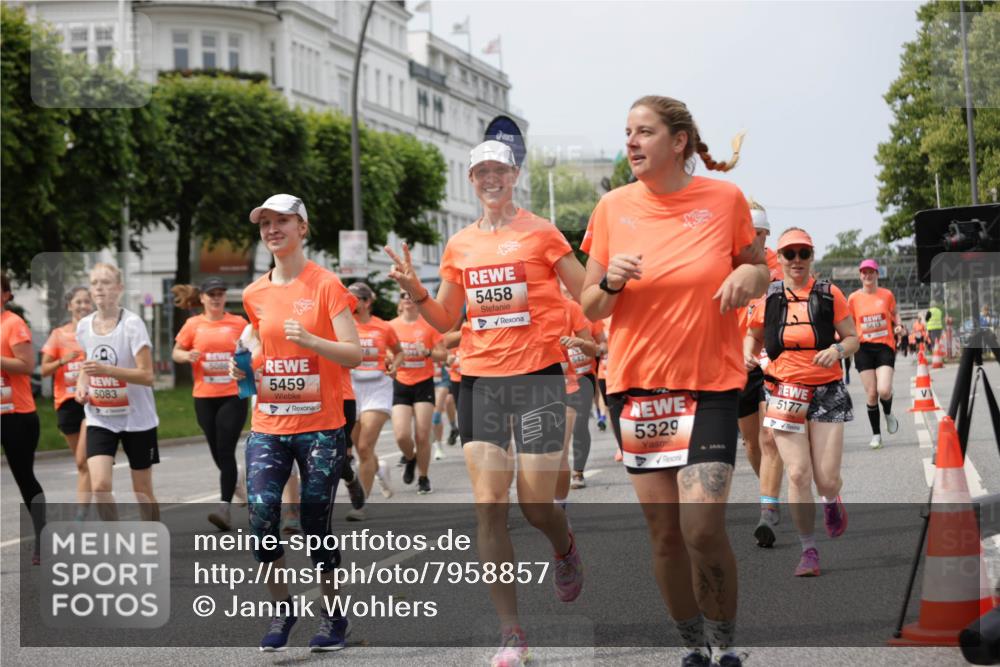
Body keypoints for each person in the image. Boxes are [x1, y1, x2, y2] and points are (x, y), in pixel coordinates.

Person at [581, 95, 767, 667]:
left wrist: (745, 272)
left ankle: (727, 640)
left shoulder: (723, 198)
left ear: (678, 140)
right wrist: (610, 280)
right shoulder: (612, 208)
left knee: (702, 528)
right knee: (665, 537)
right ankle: (695, 649)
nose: (632, 143)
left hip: (709, 384)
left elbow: (760, 269)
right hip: (636, 390)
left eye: (645, 132)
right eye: (628, 133)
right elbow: (590, 305)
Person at [384, 139, 585, 667]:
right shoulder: (460, 245)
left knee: (536, 504)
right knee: (489, 505)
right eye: (480, 172)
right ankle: (511, 632)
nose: (490, 178)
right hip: (480, 380)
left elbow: (587, 293)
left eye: (498, 169)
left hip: (538, 378)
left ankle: (563, 546)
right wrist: (418, 291)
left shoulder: (542, 232)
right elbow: (447, 319)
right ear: (471, 182)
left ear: (515, 173)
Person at [231, 193, 361, 651]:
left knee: (313, 523)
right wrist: (245, 367)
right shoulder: (254, 293)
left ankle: (333, 618)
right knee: (262, 513)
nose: (272, 230)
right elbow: (260, 349)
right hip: (269, 422)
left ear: (302, 228)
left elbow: (355, 352)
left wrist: (310, 339)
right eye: (265, 223)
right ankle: (284, 607)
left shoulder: (325, 285)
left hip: (321, 426)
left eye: (282, 221)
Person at [746, 228, 859, 579]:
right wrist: (749, 358)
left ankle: (830, 500)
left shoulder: (829, 293)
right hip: (783, 390)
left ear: (811, 256)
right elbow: (752, 336)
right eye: (789, 253)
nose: (796, 260)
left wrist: (837, 349)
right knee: (797, 472)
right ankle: (808, 548)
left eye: (803, 253)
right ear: (778, 258)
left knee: (826, 480)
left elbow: (854, 337)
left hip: (826, 391)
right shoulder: (768, 297)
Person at [75, 262, 159, 523]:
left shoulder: (132, 325)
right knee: (100, 486)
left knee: (142, 490)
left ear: (119, 288)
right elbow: (87, 364)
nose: (99, 287)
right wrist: (82, 383)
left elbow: (147, 376)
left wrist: (108, 370)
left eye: (106, 282)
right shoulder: (84, 325)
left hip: (138, 418)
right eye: (94, 283)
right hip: (101, 416)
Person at [172, 278, 250, 530]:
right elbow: (176, 351)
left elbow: (254, 348)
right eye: (211, 294)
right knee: (217, 452)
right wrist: (186, 355)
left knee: (225, 450)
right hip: (204, 397)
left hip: (232, 395)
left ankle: (224, 508)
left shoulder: (238, 324)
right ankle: (236, 483)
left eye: (220, 293)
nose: (216, 298)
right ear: (202, 298)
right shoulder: (193, 325)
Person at [736, 201, 785, 548]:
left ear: (766, 234)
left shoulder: (778, 268)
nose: (750, 239)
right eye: (745, 233)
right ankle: (770, 495)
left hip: (770, 359)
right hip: (735, 362)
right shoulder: (727, 264)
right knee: (751, 443)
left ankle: (767, 510)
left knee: (769, 439)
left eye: (757, 233)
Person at [346, 280, 402, 520]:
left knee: (365, 446)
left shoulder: (383, 327)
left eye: (354, 298)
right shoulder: (343, 326)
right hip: (351, 387)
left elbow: (399, 352)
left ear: (367, 302)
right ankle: (380, 469)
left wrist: (395, 366)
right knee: (358, 448)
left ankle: (361, 505)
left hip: (378, 387)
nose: (349, 302)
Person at [1, 273, 46, 564]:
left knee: (24, 478)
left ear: (6, 294)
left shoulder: (13, 324)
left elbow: (27, 365)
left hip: (16, 414)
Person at [40, 286, 94, 520]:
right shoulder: (59, 335)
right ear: (69, 305)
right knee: (82, 464)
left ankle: (81, 515)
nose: (83, 306)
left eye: (86, 302)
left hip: (93, 402)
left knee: (83, 458)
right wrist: (63, 359)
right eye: (78, 302)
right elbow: (43, 370)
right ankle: (93, 499)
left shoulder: (98, 332)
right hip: (66, 403)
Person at [389, 292, 447, 494]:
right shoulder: (392, 326)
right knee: (401, 435)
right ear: (400, 301)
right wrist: (390, 359)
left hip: (423, 384)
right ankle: (410, 457)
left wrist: (428, 353)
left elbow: (444, 355)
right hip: (401, 383)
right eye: (402, 295)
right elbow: (385, 350)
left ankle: (423, 477)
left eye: (410, 295)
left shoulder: (428, 326)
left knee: (422, 435)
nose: (406, 297)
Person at [847, 259, 902, 450]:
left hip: (885, 346)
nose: (867, 276)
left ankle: (887, 412)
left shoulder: (886, 295)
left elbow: (895, 315)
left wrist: (900, 326)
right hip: (863, 349)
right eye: (864, 272)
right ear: (860, 275)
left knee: (884, 390)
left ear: (877, 274)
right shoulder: (853, 298)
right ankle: (876, 435)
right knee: (871, 394)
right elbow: (848, 322)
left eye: (871, 272)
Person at [560, 285, 598, 491]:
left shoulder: (576, 309)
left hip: (582, 378)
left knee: (579, 426)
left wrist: (579, 343)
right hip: (552, 379)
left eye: (569, 288)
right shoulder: (533, 309)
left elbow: (596, 347)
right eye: (562, 288)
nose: (566, 291)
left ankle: (578, 472)